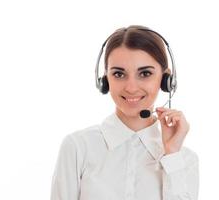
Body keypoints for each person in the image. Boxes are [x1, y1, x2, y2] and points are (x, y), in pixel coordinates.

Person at [50, 25, 199, 200]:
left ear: (167, 79)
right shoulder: (78, 147)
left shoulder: (184, 160)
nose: (131, 88)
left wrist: (172, 154)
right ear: (105, 80)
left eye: (145, 73)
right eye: (119, 74)